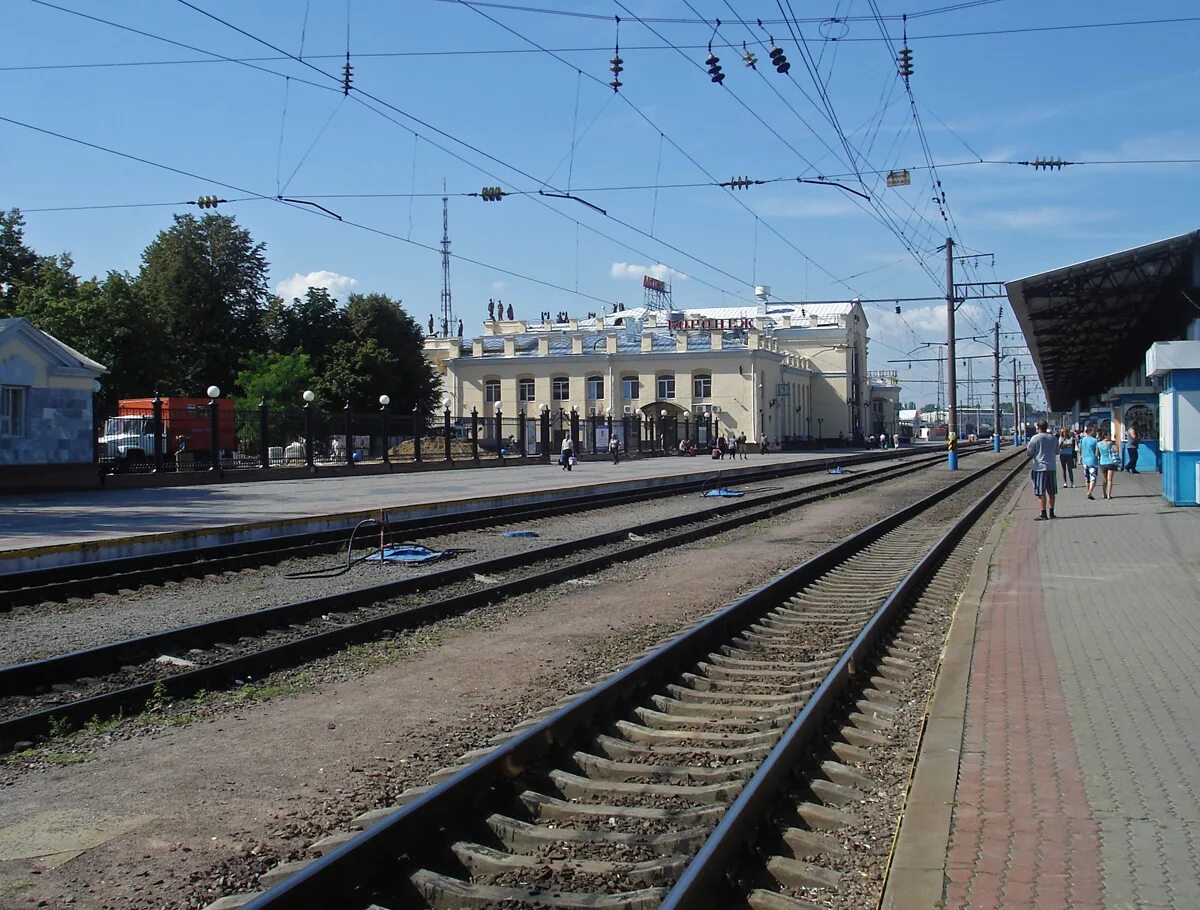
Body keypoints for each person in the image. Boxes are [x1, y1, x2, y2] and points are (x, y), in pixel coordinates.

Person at [1025, 419, 1058, 520]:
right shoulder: (1053, 438)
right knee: (1051, 492)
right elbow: (1057, 451)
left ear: (1038, 427)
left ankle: (1043, 514)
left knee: (1041, 492)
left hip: (1039, 468)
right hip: (1051, 467)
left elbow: (1029, 453)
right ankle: (1052, 512)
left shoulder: (1035, 438)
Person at [1078, 424, 1100, 500]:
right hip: (1093, 461)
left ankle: (1089, 492)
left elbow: (1080, 450)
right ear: (1091, 431)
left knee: (1087, 478)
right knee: (1093, 477)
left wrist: (1080, 458)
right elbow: (1097, 452)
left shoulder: (1082, 440)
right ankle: (1090, 492)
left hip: (1085, 461)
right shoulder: (1095, 440)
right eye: (1094, 431)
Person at [1098, 429, 1119, 498]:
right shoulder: (1110, 443)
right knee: (1110, 479)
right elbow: (1116, 450)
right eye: (1109, 435)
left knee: (1104, 479)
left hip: (1102, 462)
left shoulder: (1099, 444)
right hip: (1110, 462)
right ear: (1106, 436)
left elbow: (1096, 454)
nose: (1110, 436)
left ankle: (1104, 494)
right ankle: (1109, 495)